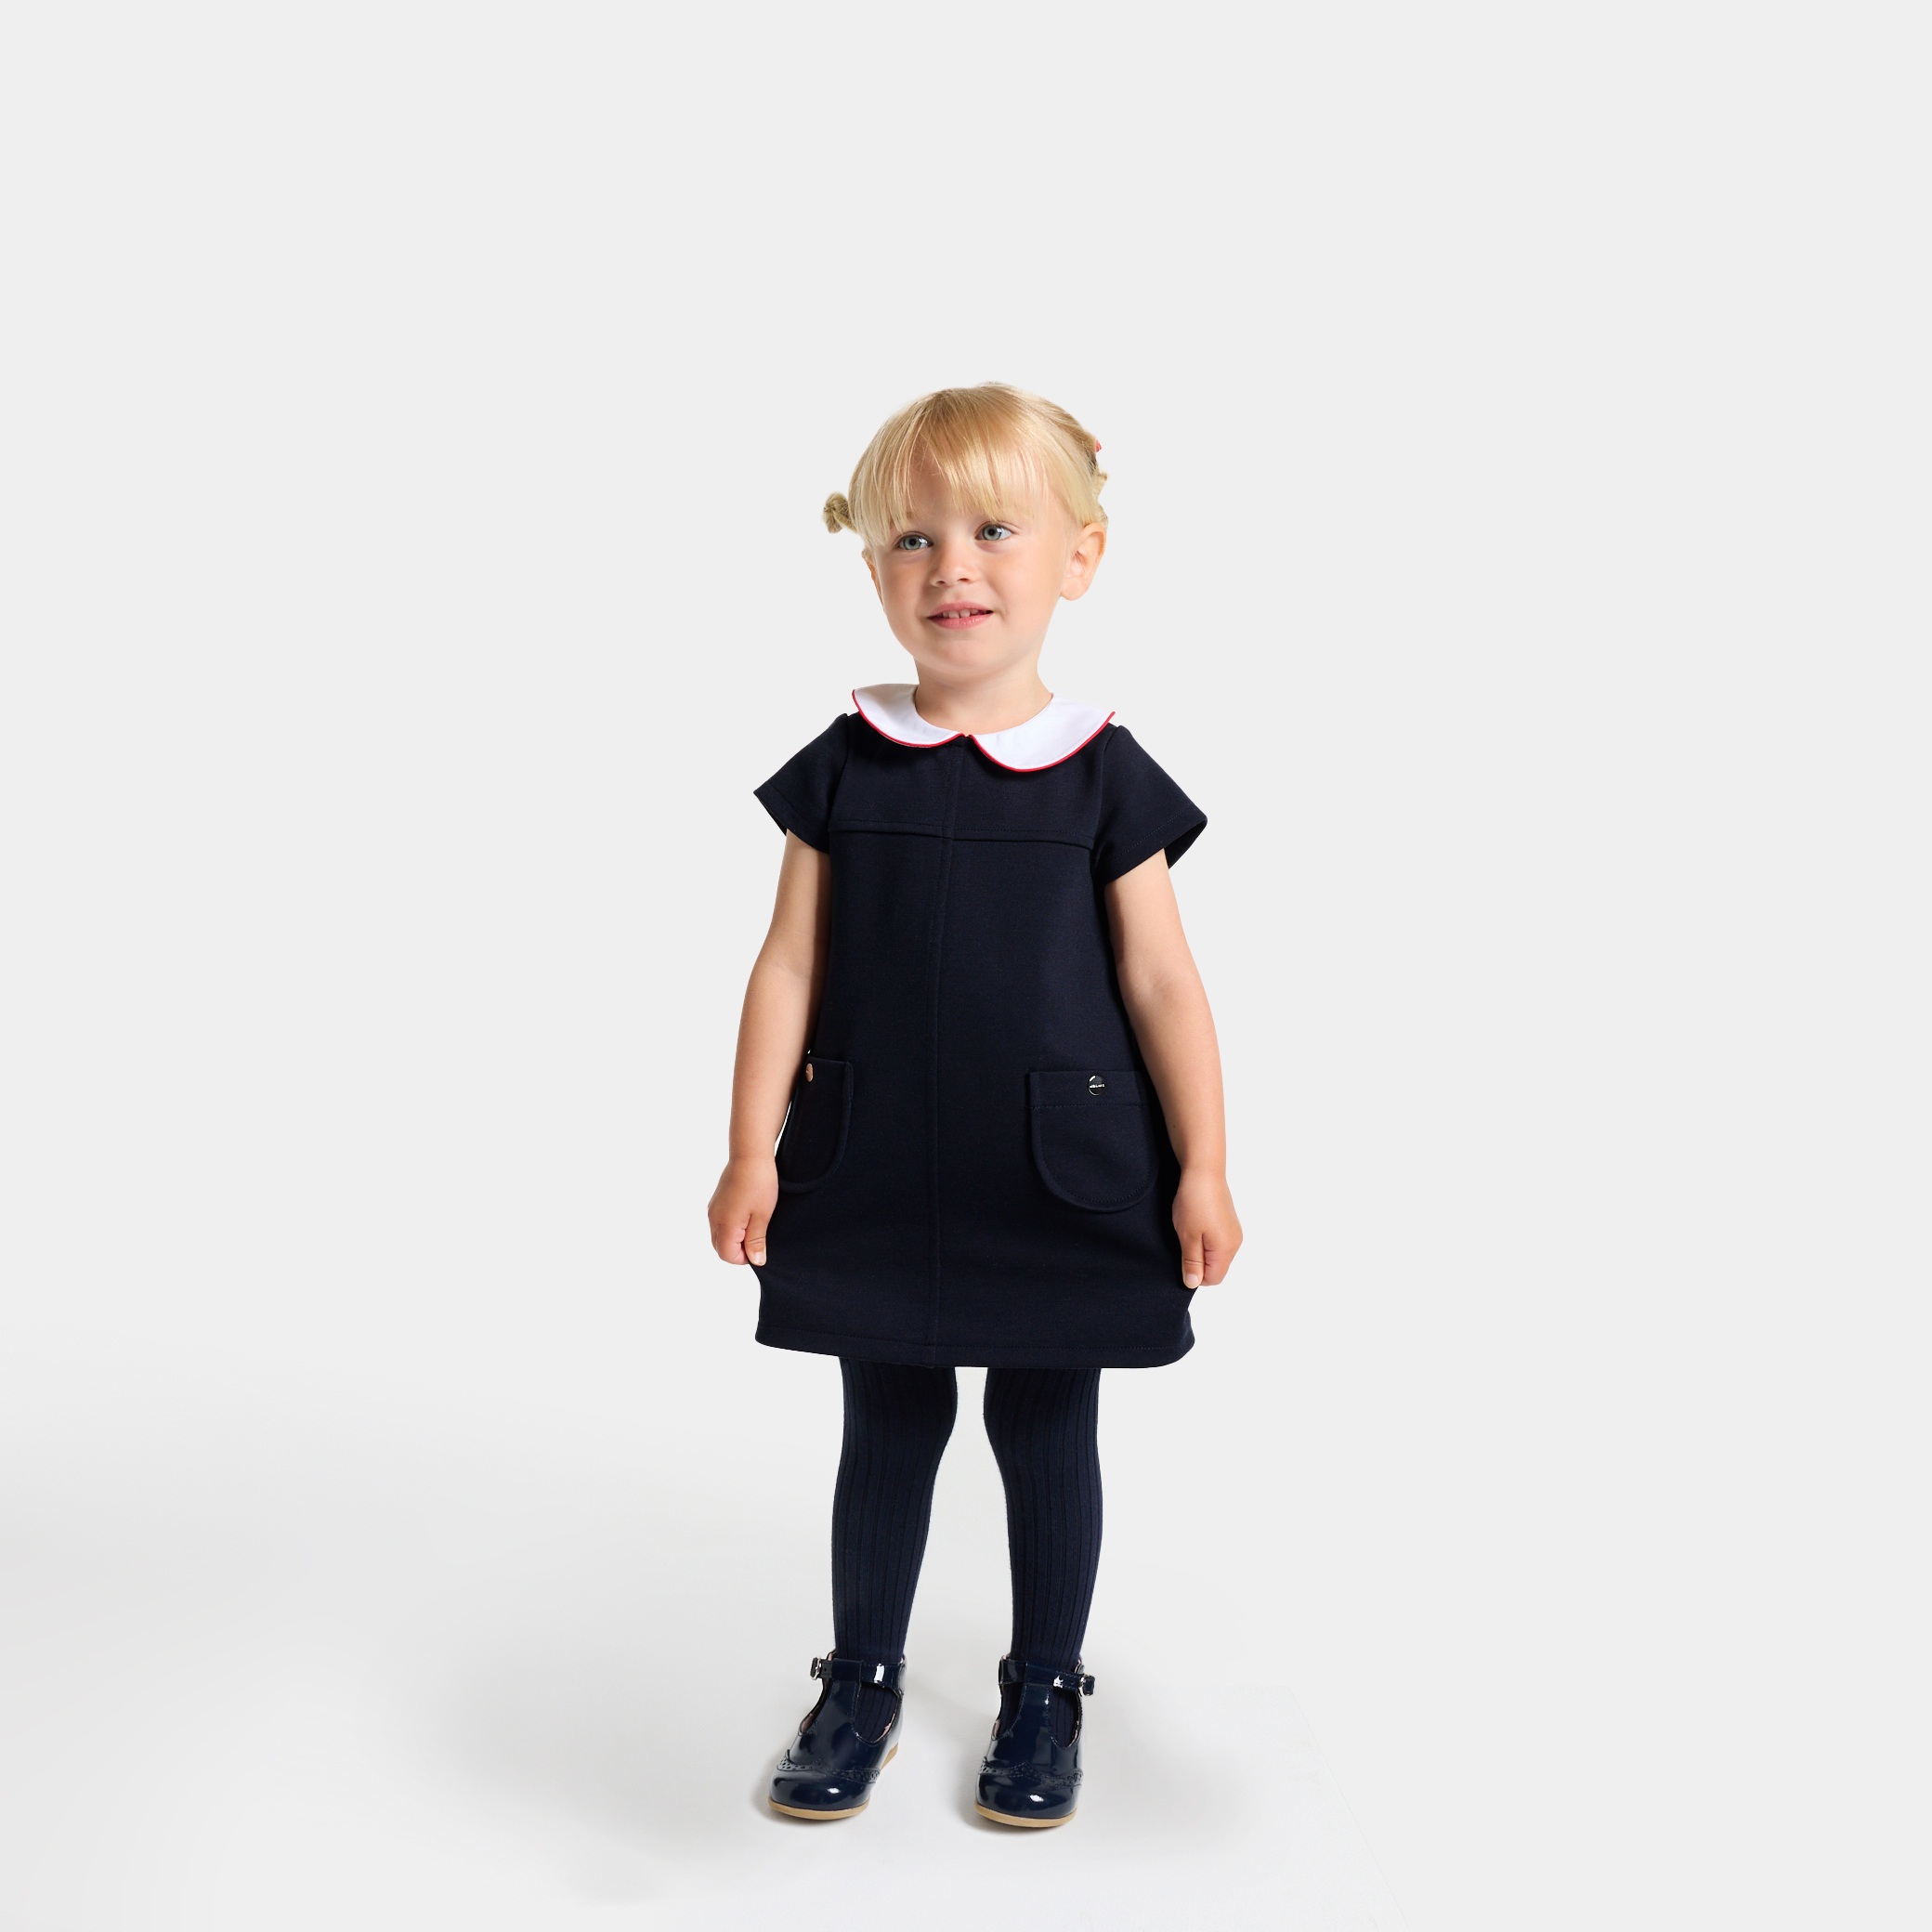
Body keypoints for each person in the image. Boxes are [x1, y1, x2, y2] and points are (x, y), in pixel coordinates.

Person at [707, 383, 1243, 1828]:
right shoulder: (843, 765)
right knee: (888, 1425)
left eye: (996, 530)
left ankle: (1047, 1687)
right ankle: (862, 1680)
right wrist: (751, 1147)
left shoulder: (1103, 773)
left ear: (1081, 555)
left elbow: (1164, 983)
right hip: (872, 1161)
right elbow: (789, 962)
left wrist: (1202, 1165)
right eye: (912, 538)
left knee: (1046, 1428)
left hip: (1060, 1173)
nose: (951, 566)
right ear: (874, 566)